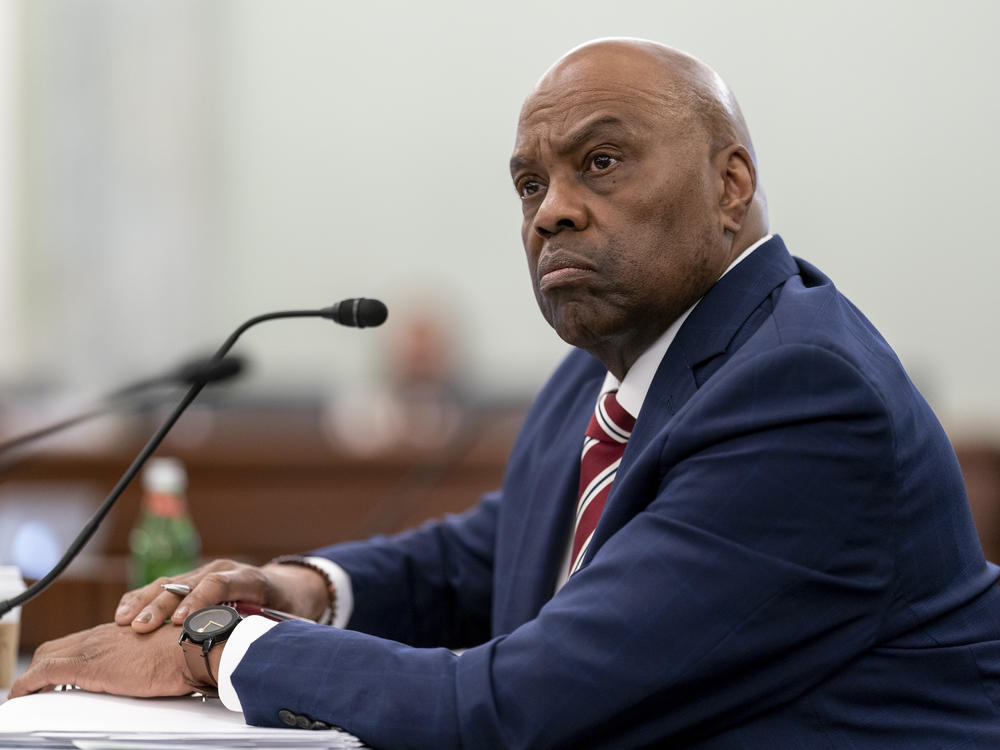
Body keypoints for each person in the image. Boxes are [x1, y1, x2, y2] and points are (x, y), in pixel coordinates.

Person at [11, 38, 1000, 748]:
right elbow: (481, 558)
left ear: (730, 184)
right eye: (529, 185)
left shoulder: (802, 395)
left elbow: (511, 708)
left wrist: (214, 647)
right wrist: (302, 588)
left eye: (599, 163)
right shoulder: (607, 367)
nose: (552, 211)